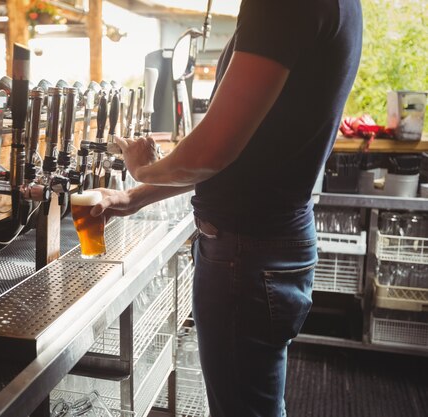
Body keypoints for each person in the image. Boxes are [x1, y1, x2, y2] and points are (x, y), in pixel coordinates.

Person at [91, 1, 363, 416]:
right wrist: (135, 195)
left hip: (246, 255)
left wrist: (143, 168)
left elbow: (213, 153)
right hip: (268, 244)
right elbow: (242, 155)